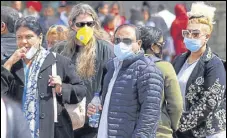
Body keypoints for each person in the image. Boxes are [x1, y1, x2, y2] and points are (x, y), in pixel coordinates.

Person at [2, 16, 86, 138]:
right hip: (19, 130)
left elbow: (81, 90)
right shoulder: (12, 63)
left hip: (50, 131)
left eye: (29, 37)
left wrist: (62, 88)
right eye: (19, 37)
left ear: (40, 38)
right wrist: (8, 64)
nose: (23, 41)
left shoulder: (58, 61)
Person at [87, 24, 164, 138]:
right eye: (117, 40)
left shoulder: (147, 70)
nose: (121, 44)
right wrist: (96, 109)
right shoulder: (112, 67)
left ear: (138, 44)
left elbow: (150, 116)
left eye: (127, 41)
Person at [172, 2, 226, 138]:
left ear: (206, 37)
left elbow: (210, 102)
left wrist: (180, 123)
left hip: (208, 131)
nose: (190, 37)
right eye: (187, 33)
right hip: (181, 132)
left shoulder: (214, 64)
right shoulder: (179, 60)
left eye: (195, 34)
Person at [60, 3, 114, 138]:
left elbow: (110, 80)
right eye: (81, 24)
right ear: (72, 24)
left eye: (90, 24)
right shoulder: (62, 49)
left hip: (93, 119)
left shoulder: (105, 48)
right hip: (69, 116)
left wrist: (99, 102)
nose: (86, 28)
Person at [139, 25, 183, 138]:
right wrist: (173, 126)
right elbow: (176, 104)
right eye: (161, 44)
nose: (162, 47)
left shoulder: (127, 65)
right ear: (153, 46)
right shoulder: (164, 67)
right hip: (160, 130)